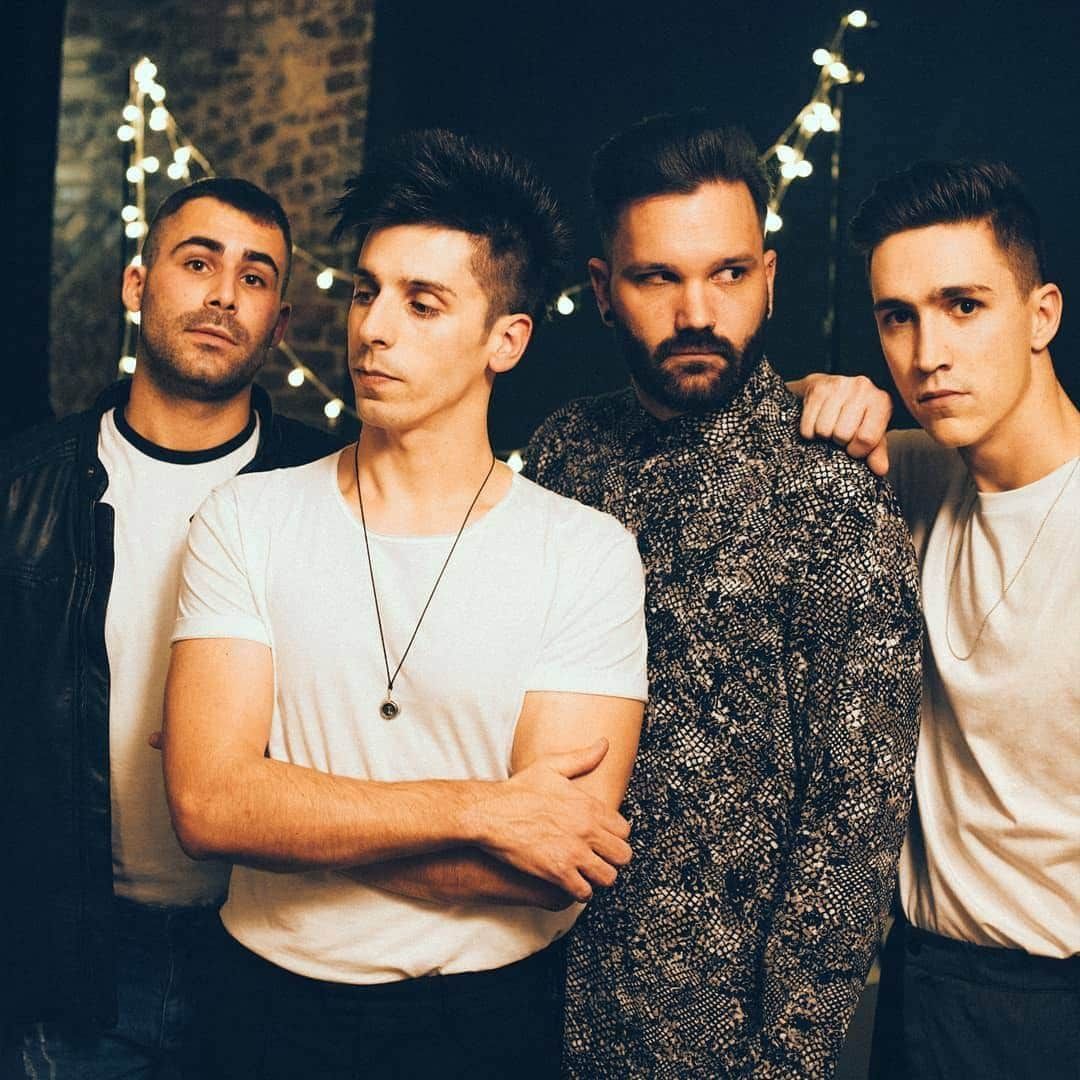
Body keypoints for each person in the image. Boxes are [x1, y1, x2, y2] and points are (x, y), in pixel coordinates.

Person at [160, 129, 648, 1079]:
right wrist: (483, 809)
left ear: (506, 340)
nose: (373, 328)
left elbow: (550, 867)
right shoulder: (244, 518)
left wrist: (287, 812)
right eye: (365, 291)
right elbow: (209, 806)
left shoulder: (585, 553)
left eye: (422, 303)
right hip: (264, 1006)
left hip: (482, 1021)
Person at [524, 111, 924, 1079]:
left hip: (718, 1042)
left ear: (769, 279)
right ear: (603, 290)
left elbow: (856, 815)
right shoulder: (561, 456)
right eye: (657, 277)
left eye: (729, 274)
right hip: (521, 1001)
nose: (697, 311)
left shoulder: (829, 488)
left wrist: (785, 1060)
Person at [0, 178, 341, 1076]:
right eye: (198, 263)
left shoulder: (334, 492)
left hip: (269, 951)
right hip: (71, 963)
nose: (224, 295)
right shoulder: (19, 490)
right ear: (136, 283)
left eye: (254, 277)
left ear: (278, 321)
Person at [797, 160, 1080, 1080]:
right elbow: (769, 418)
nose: (927, 354)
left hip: (1054, 1007)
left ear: (1041, 315)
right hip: (920, 989)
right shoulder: (915, 475)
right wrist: (825, 391)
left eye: (964, 306)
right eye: (898, 317)